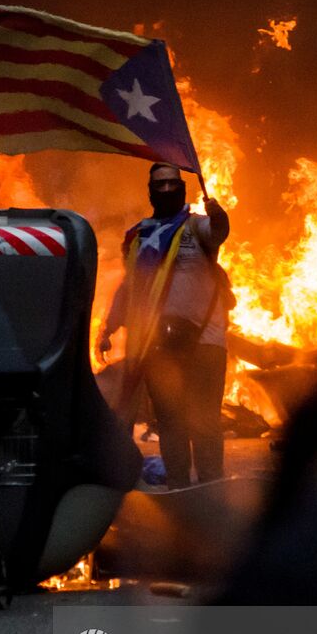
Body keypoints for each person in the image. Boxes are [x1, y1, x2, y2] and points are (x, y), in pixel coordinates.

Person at [98, 162, 231, 489]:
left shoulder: (196, 227)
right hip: (159, 346)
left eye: (174, 184)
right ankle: (179, 487)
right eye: (161, 185)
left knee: (205, 421)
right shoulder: (139, 235)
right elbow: (132, 286)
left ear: (183, 188)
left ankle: (211, 487)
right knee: (171, 422)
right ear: (151, 191)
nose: (168, 190)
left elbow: (219, 233)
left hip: (206, 342)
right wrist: (111, 326)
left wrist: (219, 214)